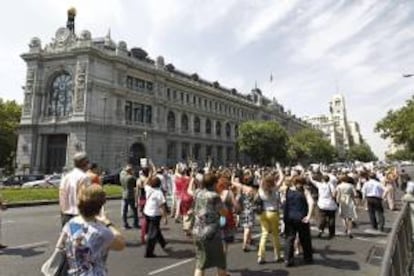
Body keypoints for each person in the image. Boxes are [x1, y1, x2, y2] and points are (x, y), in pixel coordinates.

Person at [58, 184, 125, 275]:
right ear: (100, 207)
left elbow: (60, 246)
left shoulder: (71, 223)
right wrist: (107, 222)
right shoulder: (102, 232)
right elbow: (121, 244)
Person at [189, 173, 228, 276]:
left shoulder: (198, 193)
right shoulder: (214, 196)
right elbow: (224, 212)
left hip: (197, 231)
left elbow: (190, 192)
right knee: (220, 261)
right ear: (214, 183)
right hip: (212, 233)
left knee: (200, 263)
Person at [283, 176, 314, 267]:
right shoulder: (304, 191)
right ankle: (308, 258)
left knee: (289, 238)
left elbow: (284, 202)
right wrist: (309, 215)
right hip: (301, 217)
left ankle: (288, 259)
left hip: (289, 217)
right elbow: (311, 202)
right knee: (305, 238)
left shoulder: (287, 190)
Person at [257, 172, 284, 264]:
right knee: (275, 235)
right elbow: (282, 178)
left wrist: (263, 176)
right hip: (273, 213)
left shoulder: (261, 190)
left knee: (264, 234)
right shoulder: (274, 189)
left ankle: (261, 256)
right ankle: (277, 255)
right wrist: (279, 169)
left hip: (263, 213)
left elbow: (261, 182)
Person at [59, 152, 91, 227]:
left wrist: (63, 211)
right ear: (84, 163)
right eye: (88, 162)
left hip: (65, 215)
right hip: (79, 215)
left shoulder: (66, 176)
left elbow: (61, 194)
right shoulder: (84, 178)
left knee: (67, 237)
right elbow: (85, 198)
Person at [143, 176, 169, 258]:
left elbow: (145, 183)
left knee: (155, 229)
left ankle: (162, 242)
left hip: (147, 212)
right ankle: (149, 252)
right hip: (155, 214)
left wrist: (150, 175)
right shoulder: (159, 193)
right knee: (152, 234)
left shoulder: (149, 189)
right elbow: (162, 206)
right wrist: (165, 217)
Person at [309, 174, 337, 239]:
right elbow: (334, 192)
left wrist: (310, 175)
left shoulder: (320, 185)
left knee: (322, 218)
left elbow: (312, 181)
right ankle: (331, 233)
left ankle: (321, 230)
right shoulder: (330, 185)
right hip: (330, 203)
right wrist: (333, 197)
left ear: (322, 179)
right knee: (331, 218)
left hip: (321, 203)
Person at [120, 165, 139, 229]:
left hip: (124, 193)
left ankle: (125, 224)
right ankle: (135, 223)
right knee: (134, 210)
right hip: (130, 194)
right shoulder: (130, 177)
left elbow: (122, 172)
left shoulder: (122, 176)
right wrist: (133, 174)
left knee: (124, 210)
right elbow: (136, 181)